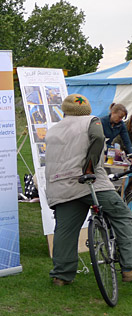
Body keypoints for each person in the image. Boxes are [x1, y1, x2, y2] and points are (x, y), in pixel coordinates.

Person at [44, 94, 132, 286]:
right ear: (87, 109)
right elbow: (99, 138)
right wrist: (90, 165)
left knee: (65, 231)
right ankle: (129, 268)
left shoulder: (53, 130)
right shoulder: (91, 122)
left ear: (65, 110)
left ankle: (61, 275)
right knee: (122, 215)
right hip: (89, 182)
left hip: (61, 186)